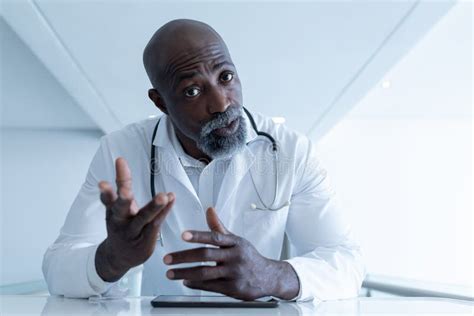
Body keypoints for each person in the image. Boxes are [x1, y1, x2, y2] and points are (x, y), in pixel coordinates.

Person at [42, 19, 365, 302]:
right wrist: (112, 258)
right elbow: (57, 269)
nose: (221, 103)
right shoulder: (120, 151)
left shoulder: (291, 152)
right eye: (192, 91)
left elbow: (347, 262)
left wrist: (273, 275)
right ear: (161, 102)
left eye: (226, 77)